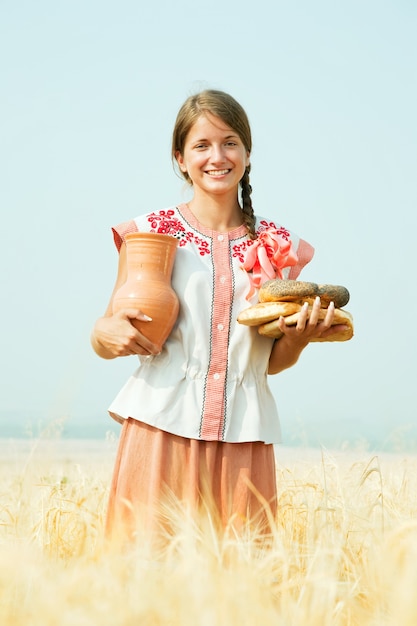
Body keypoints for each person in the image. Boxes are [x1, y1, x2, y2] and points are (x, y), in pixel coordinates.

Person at [91, 89, 342, 540]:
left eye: (229, 142)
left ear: (247, 153)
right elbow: (107, 330)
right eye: (201, 145)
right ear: (180, 158)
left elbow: (271, 361)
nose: (217, 156)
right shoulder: (150, 232)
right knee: (145, 586)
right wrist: (103, 332)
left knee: (239, 589)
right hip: (159, 429)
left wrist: (300, 338)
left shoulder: (279, 247)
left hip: (244, 440)